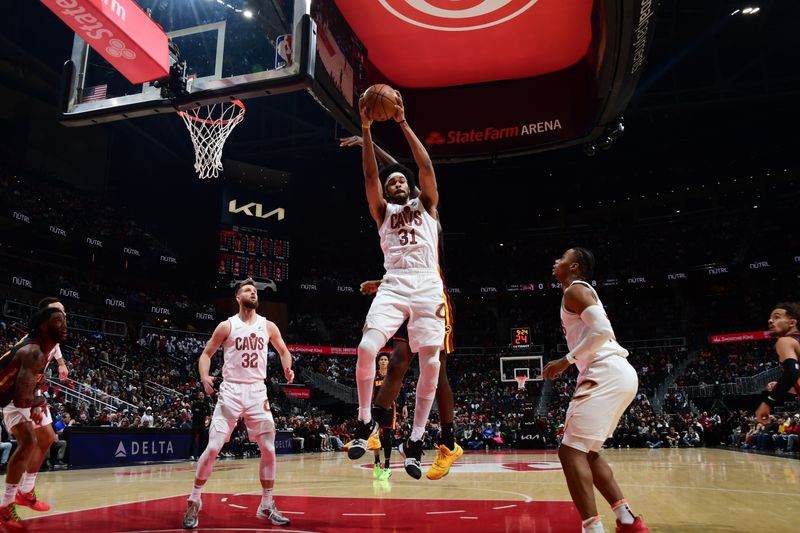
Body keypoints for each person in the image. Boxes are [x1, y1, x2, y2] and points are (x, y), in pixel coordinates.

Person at [345, 92, 447, 481]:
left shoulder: (427, 206)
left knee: (432, 362)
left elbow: (425, 165)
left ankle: (417, 441)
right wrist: (367, 130)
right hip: (393, 284)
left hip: (426, 286)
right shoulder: (382, 212)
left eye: (403, 180)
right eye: (394, 182)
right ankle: (364, 421)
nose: (399, 183)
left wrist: (403, 123)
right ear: (388, 192)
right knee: (367, 347)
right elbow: (370, 175)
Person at [543, 248, 649, 533]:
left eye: (562, 257)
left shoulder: (575, 291)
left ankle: (592, 529)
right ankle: (628, 521)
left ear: (574, 266)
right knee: (588, 451)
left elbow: (602, 331)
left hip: (604, 371)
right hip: (617, 373)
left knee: (569, 453)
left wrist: (566, 361)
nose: (556, 261)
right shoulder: (577, 293)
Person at [182, 279, 295, 529]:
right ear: (238, 297)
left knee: (269, 448)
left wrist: (287, 367)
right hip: (231, 390)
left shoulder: (268, 325)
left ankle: (266, 504)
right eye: (247, 290)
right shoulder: (227, 325)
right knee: (213, 448)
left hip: (257, 391)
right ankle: (194, 500)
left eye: (254, 291)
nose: (253, 292)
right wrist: (204, 377)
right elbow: (206, 353)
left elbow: (284, 351)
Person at [0, 307, 67, 531]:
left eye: (64, 318)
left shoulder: (47, 348)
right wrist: (37, 403)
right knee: (32, 441)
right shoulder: (33, 350)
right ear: (43, 325)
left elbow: (35, 379)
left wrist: (38, 399)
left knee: (39, 439)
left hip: (13, 396)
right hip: (11, 398)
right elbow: (20, 398)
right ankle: (13, 499)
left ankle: (18, 497)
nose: (64, 323)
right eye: (58, 318)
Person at [755, 302, 800, 425]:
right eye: (770, 317)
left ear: (792, 323)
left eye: (777, 317)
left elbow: (792, 372)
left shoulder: (785, 341)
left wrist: (768, 402)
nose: (770, 320)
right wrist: (784, 386)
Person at [369, 354, 403, 481]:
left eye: (385, 359)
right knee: (374, 436)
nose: (383, 361)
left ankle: (387, 467)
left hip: (389, 408)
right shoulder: (374, 375)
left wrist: (403, 406)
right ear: (378, 362)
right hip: (376, 408)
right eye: (381, 359)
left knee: (387, 437)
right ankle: (377, 462)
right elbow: (369, 392)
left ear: (388, 362)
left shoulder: (392, 374)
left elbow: (401, 390)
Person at [190, 391, 211, 460]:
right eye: (200, 395)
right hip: (195, 423)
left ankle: (200, 455)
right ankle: (192, 455)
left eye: (202, 395)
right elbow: (193, 411)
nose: (201, 396)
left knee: (202, 440)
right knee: (193, 439)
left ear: (204, 396)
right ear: (198, 396)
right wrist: (203, 412)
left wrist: (199, 411)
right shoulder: (195, 403)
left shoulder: (206, 404)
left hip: (202, 424)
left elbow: (208, 413)